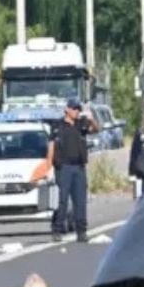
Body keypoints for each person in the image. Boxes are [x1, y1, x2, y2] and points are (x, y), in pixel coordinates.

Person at [47, 97, 99, 242]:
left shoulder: (81, 124)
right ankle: (57, 229)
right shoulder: (58, 125)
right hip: (63, 167)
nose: (77, 111)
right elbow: (51, 146)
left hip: (79, 167)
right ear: (67, 109)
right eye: (74, 108)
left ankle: (81, 231)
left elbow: (95, 129)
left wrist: (91, 118)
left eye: (78, 109)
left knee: (80, 201)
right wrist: (48, 166)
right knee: (62, 201)